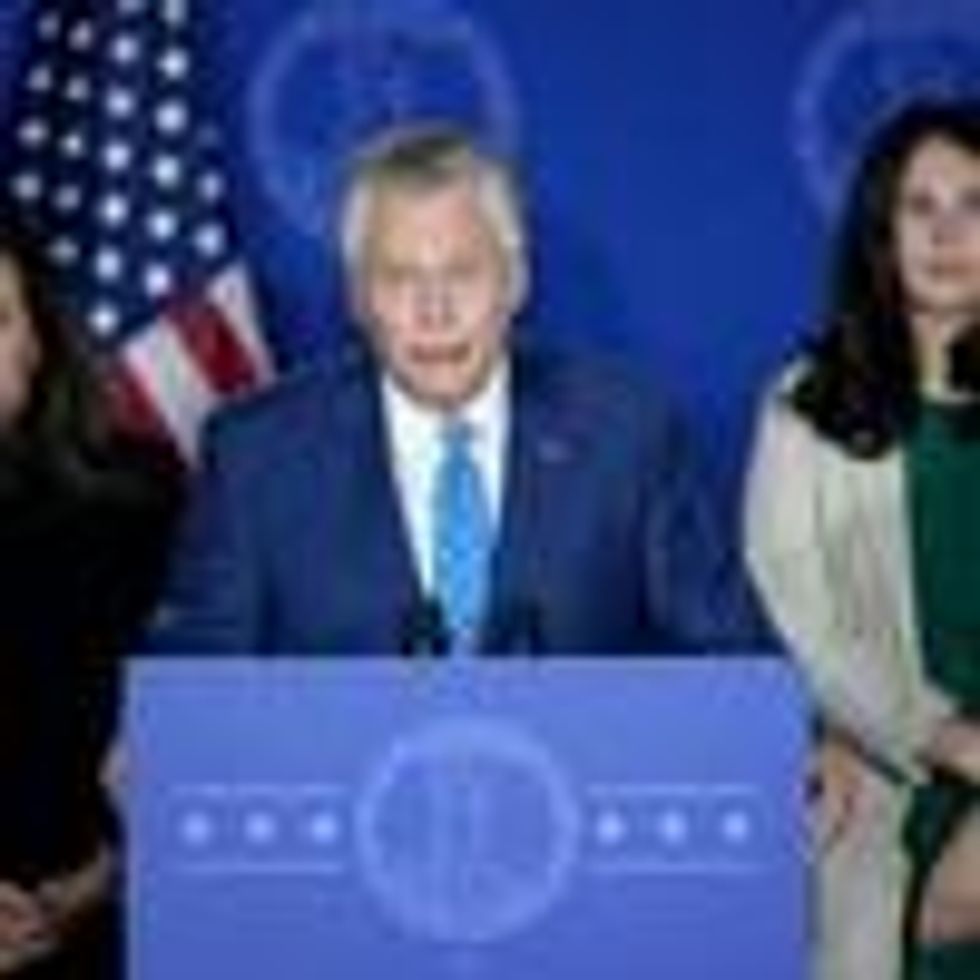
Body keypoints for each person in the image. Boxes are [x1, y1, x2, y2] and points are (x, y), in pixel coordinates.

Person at [157, 121, 757, 656]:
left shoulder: (628, 435)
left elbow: (731, 654)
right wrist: (159, 738)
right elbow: (198, 679)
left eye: (462, 273)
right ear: (357, 299)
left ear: (516, 282)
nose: (434, 311)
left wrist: (803, 741)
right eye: (399, 279)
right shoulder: (255, 455)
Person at [744, 99, 980, 980]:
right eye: (920, 207)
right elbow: (796, 615)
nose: (948, 233)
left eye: (974, 205)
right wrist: (946, 739)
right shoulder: (804, 406)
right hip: (883, 794)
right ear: (880, 233)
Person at [0, 217, 180, 977]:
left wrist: (102, 881)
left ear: (37, 341)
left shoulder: (140, 501)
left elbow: (212, 748)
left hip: (108, 937)